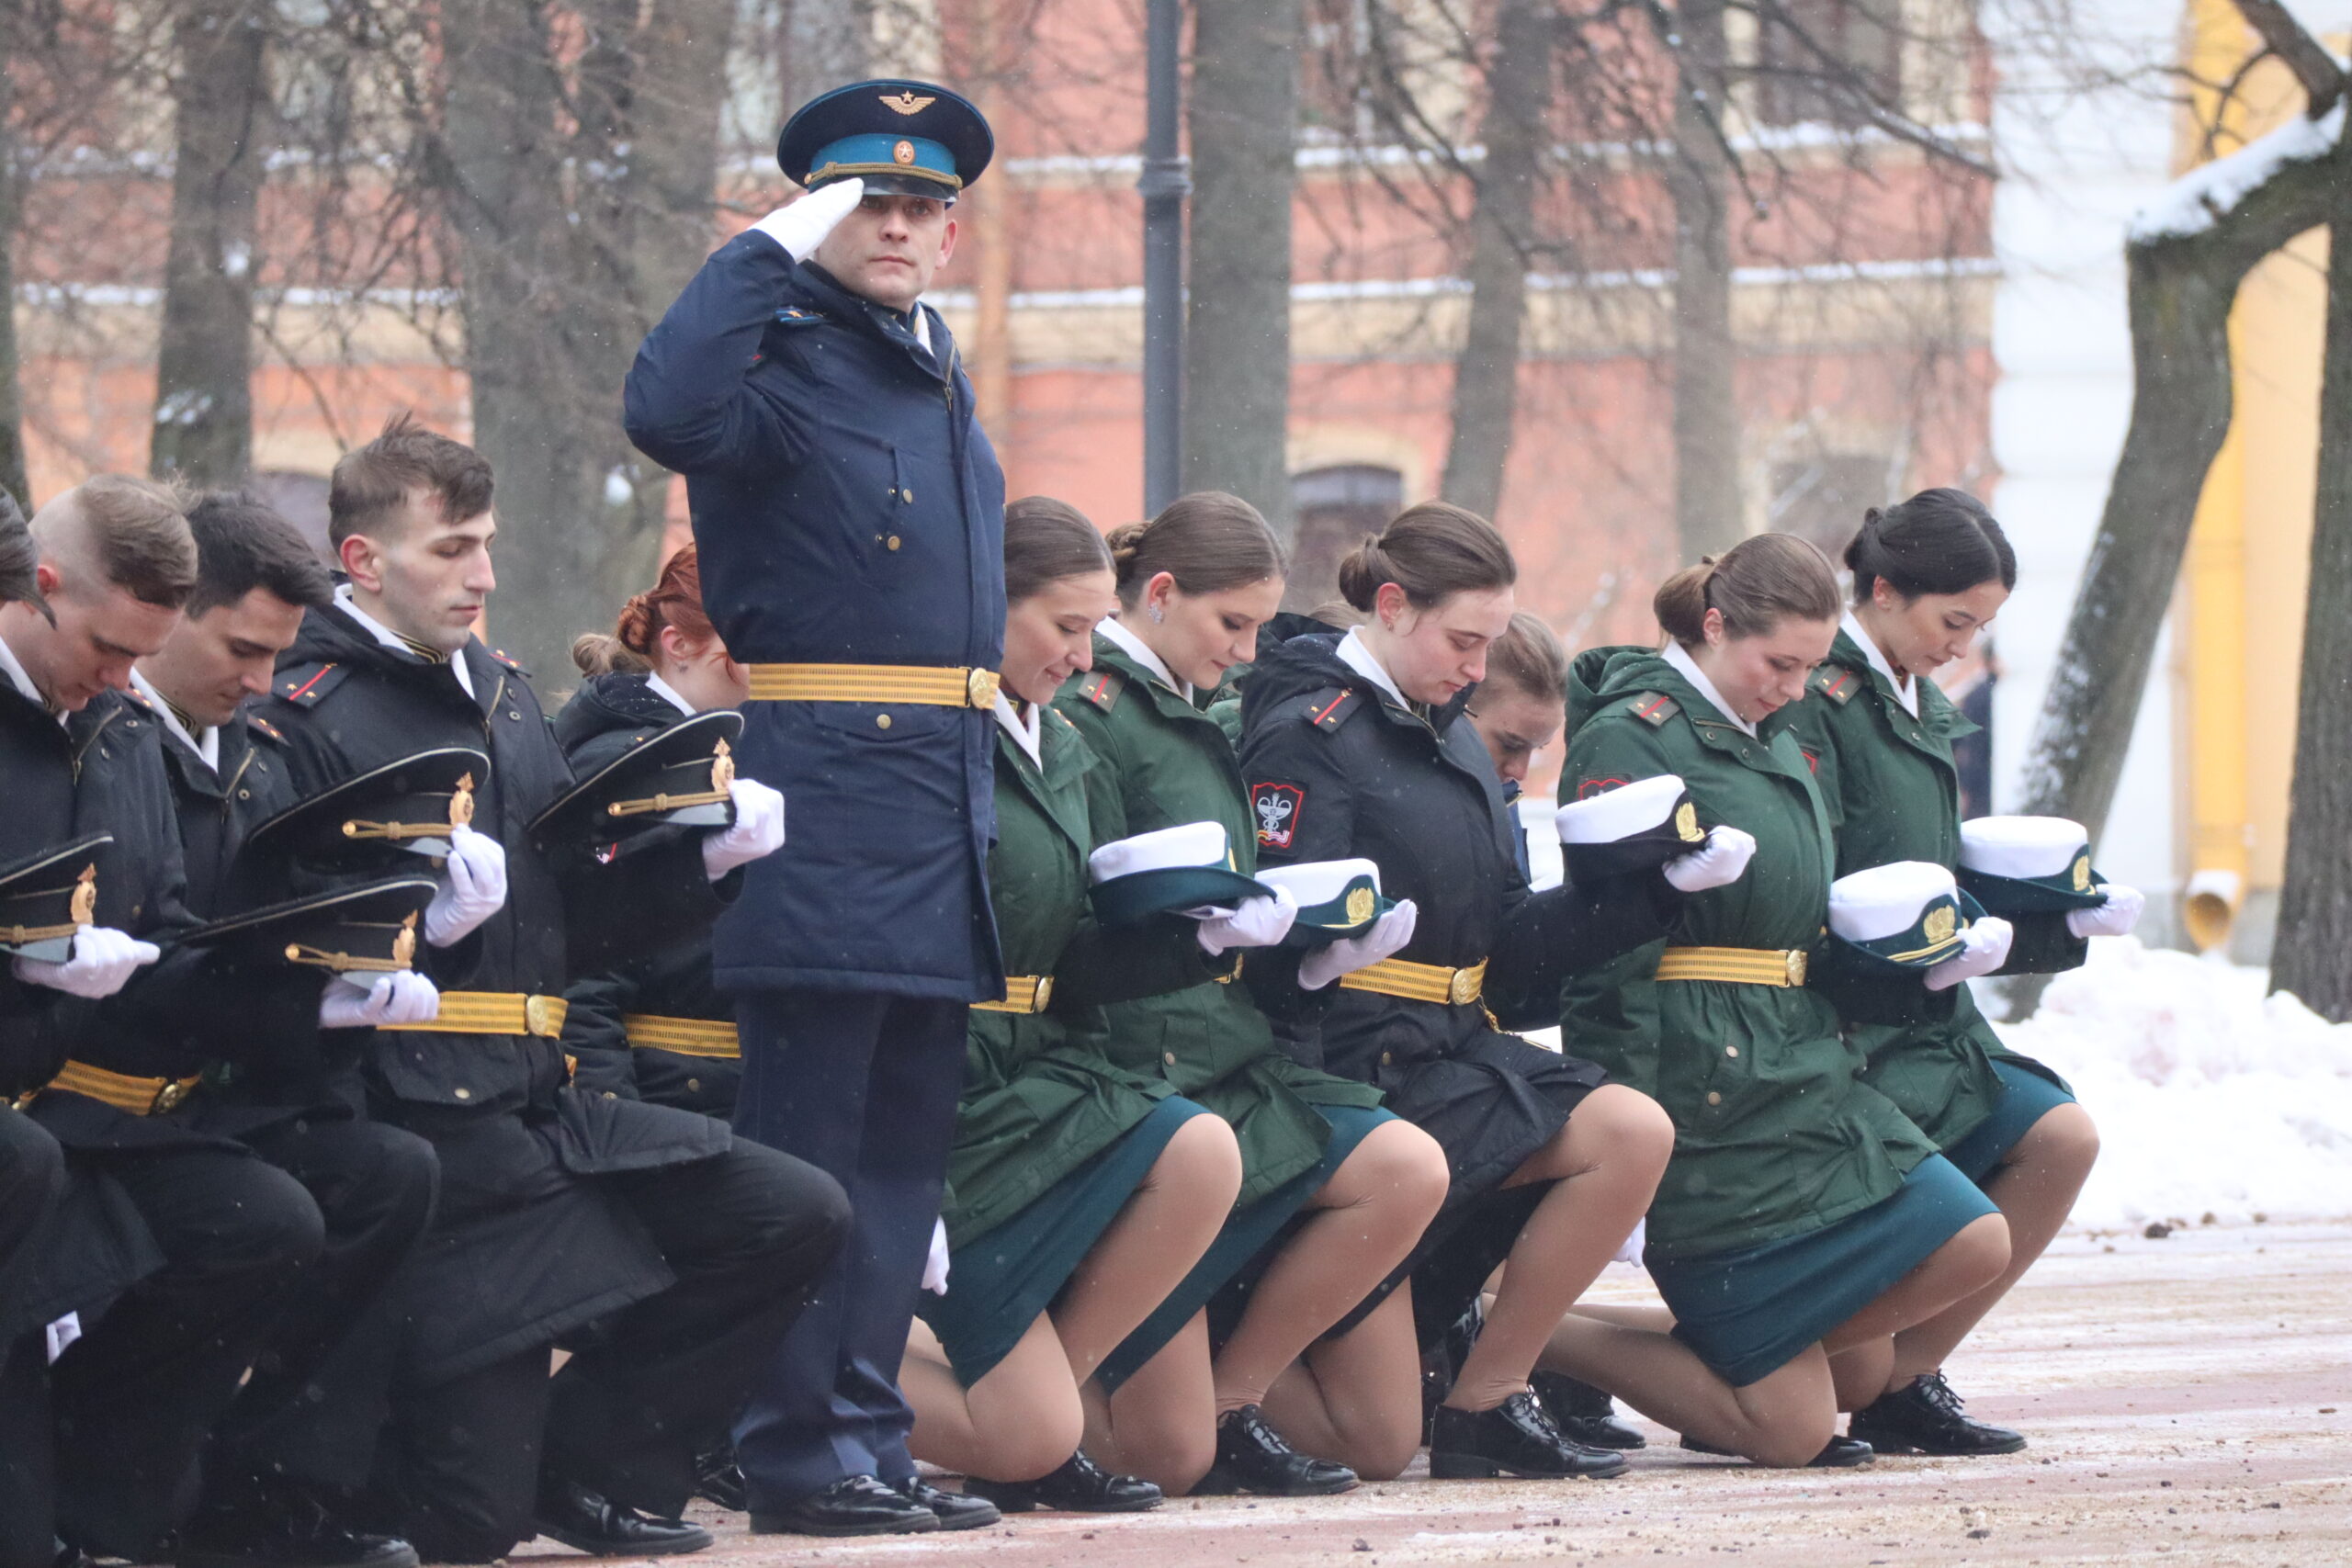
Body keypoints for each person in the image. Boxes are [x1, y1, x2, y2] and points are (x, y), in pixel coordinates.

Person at [257, 418, 849, 1561]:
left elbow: (576, 926)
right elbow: (283, 942)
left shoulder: (503, 693)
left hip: (536, 1095)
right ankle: (354, 1480)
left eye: (485, 544)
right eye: (451, 549)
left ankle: (593, 1467)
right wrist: (411, 933)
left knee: (791, 1211)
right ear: (365, 561)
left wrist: (701, 867)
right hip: (414, 1106)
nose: (482, 574)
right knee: (461, 1528)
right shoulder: (310, 705)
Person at [623, 77, 1011, 1538]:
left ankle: (865, 1432)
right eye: (867, 201)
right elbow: (662, 407)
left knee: (904, 1142)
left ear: (954, 234)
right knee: (811, 1145)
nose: (897, 223)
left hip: (936, 792)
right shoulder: (776, 359)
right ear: (816, 214)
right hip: (826, 788)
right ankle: (792, 1446)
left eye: (922, 207)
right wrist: (766, 249)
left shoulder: (927, 360)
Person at [1237, 503, 1709, 1481]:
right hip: (1353, 1068)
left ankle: (1488, 1399)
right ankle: (1185, 1357)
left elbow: (1504, 956)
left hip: (1444, 1056)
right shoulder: (1308, 733)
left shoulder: (1450, 741)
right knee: (1363, 1443)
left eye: (1489, 644)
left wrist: (1636, 896)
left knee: (1629, 1132)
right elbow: (1269, 948)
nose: (1473, 666)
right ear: (1395, 607)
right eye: (1463, 640)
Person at [1542, 532, 2014, 1467]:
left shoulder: (1778, 731)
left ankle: (1721, 1361)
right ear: (1715, 626)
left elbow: (1806, 917)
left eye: (1807, 665)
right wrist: (1629, 1117)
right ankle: (1516, 1333)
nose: (1794, 687)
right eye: (1778, 663)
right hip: (1705, 1094)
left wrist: (1920, 957)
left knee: (1968, 1242)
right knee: (1791, 1429)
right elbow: (1603, 960)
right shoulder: (1631, 736)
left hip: (1800, 1067)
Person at [1053, 492, 1449, 1495]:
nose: (1245, 651)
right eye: (1230, 623)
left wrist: (1306, 954)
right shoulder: (1092, 710)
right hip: (1133, 1066)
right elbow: (1079, 922)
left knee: (1404, 1166)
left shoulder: (1181, 710)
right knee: (1163, 1456)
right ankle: (1034, 1408)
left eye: (1259, 628)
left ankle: (1234, 1396)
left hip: (1214, 1051)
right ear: (1158, 592)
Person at [903, 497, 1263, 1514]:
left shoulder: (1053, 739)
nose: (1082, 652)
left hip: (1038, 1067)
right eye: (1065, 628)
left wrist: (1191, 938)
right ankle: (782, 1355)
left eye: (1092, 627)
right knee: (1022, 1441)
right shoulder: (929, 735)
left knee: (1199, 1151)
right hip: (948, 1086)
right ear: (987, 603)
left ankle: (1043, 1398)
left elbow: (1066, 961)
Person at [0, 477, 336, 1561]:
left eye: (140, 656)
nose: (123, 677)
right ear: (39, 590)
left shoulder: (115, 732)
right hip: (36, 1118)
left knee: (261, 1222)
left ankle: (107, 1502)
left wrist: (311, 983)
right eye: (106, 645)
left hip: (68, 1111)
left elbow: (163, 935)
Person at [121, 489, 454, 1568]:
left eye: (276, 657)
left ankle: (276, 1498)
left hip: (220, 1090)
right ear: (169, 613)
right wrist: (297, 996)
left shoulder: (252, 752)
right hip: (105, 1098)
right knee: (260, 1216)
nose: (262, 681)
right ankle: (139, 1485)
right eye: (242, 649)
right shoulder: (113, 744)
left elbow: (281, 922)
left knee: (388, 1173)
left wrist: (396, 953)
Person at [1782, 490, 2122, 1455]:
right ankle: (1824, 1365)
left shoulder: (1912, 696)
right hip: (1848, 1019)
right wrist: (1918, 945)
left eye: (1980, 625)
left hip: (1924, 1013)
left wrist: (2050, 915)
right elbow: (1819, 870)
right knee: (1950, 1205)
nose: (1963, 646)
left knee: (2060, 1139)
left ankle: (1904, 1376)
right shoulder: (1818, 691)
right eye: (1953, 620)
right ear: (1883, 592)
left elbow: (1930, 857)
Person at [559, 545, 751, 1122]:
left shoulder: (724, 752)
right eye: (748, 641)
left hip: (719, 1094)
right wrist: (614, 1122)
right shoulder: (627, 767)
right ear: (679, 645)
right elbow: (587, 968)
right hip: (668, 1096)